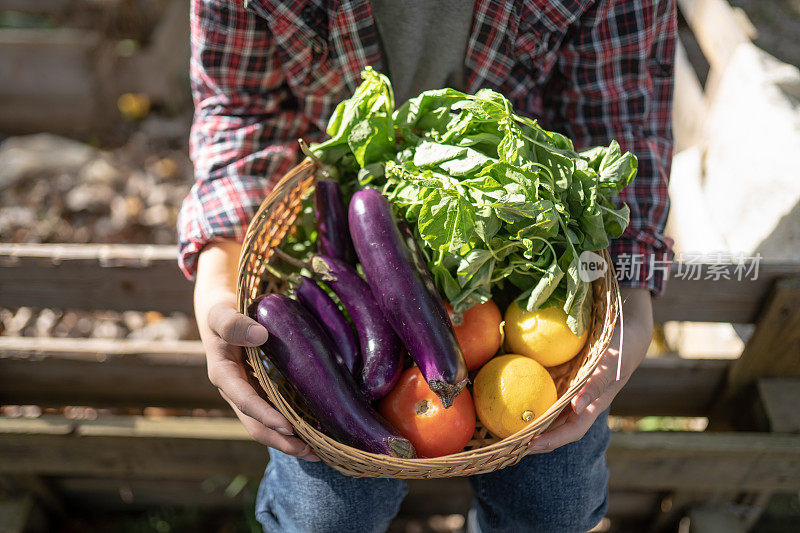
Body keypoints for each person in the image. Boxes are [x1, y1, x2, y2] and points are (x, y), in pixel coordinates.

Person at [179, 1, 674, 531]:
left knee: (556, 502)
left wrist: (631, 301)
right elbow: (242, 113)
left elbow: (618, 119)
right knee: (325, 516)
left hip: (514, 227)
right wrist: (217, 281)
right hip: (337, 199)